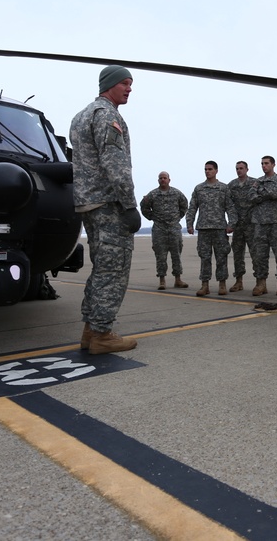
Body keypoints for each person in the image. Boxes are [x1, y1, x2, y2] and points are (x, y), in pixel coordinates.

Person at [69, 65, 141, 355]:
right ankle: (102, 334)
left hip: (88, 203)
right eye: (125, 83)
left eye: (131, 84)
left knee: (102, 268)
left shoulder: (81, 115)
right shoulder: (108, 115)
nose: (129, 88)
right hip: (109, 204)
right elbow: (115, 164)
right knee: (114, 269)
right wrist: (129, 204)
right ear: (109, 84)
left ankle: (90, 331)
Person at [185, 161, 237, 296]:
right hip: (203, 228)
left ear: (216, 171)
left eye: (210, 169)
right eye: (205, 169)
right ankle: (205, 285)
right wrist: (189, 223)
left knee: (221, 257)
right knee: (204, 257)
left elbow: (230, 207)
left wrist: (231, 224)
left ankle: (222, 284)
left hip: (220, 228)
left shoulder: (223, 188)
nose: (207, 171)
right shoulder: (199, 189)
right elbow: (192, 207)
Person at [140, 171, 189, 290]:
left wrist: (177, 217)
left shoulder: (177, 193)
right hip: (159, 229)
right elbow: (144, 207)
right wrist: (152, 217)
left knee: (176, 254)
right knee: (160, 256)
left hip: (174, 228)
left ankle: (178, 279)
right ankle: (162, 280)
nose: (163, 180)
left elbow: (184, 206)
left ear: (169, 180)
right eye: (161, 178)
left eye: (165, 178)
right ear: (158, 180)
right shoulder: (153, 194)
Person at [248, 155, 277, 296]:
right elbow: (251, 197)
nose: (264, 166)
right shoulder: (258, 181)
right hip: (259, 222)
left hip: (276, 222)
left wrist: (261, 193)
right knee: (260, 255)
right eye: (262, 164)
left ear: (273, 164)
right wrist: (264, 194)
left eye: (266, 163)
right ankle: (261, 283)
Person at [227, 161, 256, 293]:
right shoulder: (232, 185)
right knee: (238, 254)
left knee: (256, 254)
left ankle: (260, 281)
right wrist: (231, 222)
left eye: (241, 168)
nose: (239, 170)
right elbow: (228, 204)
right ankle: (239, 281)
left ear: (247, 169)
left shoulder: (254, 183)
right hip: (238, 225)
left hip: (252, 224)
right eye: (237, 168)